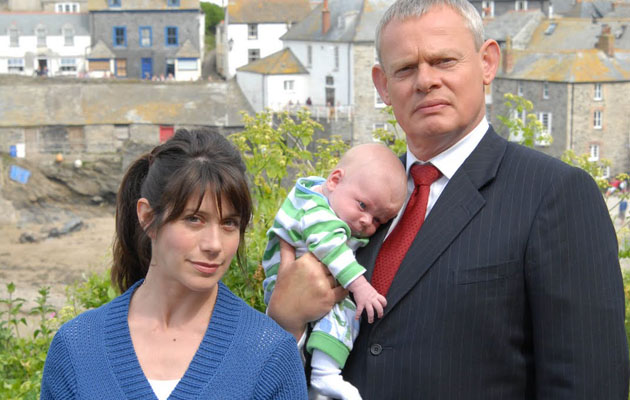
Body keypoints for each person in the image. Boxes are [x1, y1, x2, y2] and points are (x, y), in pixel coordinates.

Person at [267, 0, 630, 399]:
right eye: (405, 68)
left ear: (488, 62)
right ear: (382, 85)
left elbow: (588, 384)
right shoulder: (362, 200)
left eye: (444, 61)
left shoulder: (555, 195)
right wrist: (285, 321)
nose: (425, 81)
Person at [40, 129, 308, 399]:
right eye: (194, 218)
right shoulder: (77, 347)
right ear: (147, 217)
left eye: (229, 223)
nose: (214, 244)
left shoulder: (269, 354)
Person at [263, 143, 407, 400]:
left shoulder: (329, 201)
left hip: (302, 286)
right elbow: (330, 247)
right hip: (287, 284)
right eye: (363, 206)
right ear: (334, 180)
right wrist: (361, 287)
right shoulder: (317, 210)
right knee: (347, 310)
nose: (366, 222)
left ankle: (320, 380)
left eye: (378, 221)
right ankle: (324, 376)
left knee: (342, 312)